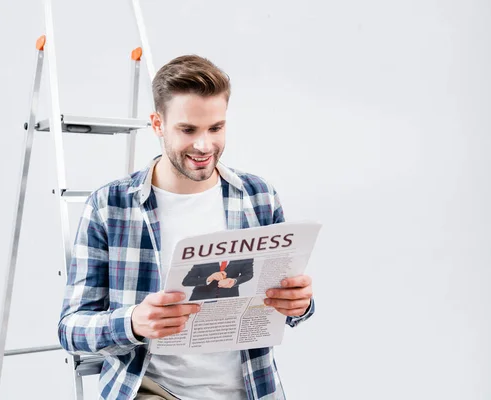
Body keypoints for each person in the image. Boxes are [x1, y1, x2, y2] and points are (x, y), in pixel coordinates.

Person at [58, 54, 315, 400]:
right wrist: (133, 322)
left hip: (252, 389)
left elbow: (290, 308)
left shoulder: (258, 196)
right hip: (152, 389)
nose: (204, 145)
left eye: (215, 128)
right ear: (157, 124)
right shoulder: (110, 206)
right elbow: (70, 328)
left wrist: (300, 303)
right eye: (188, 129)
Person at [182, 258, 254, 301]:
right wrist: (209, 278)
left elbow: (248, 274)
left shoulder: (244, 256)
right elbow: (186, 281)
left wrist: (234, 281)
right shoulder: (203, 256)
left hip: (228, 300)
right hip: (201, 298)